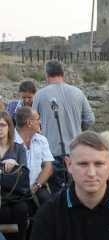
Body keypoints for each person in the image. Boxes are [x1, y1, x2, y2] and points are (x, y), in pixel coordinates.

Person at [33, 60, 95, 190]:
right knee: (77, 190)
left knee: (57, 193)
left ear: (46, 75)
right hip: (75, 151)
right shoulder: (78, 92)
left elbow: (32, 122)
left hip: (51, 152)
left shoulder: (40, 95)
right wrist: (77, 129)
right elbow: (90, 119)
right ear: (63, 73)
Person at [0, 111, 29, 240]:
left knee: (21, 210)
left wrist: (15, 163)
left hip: (16, 194)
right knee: (3, 212)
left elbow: (24, 172)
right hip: (1, 197)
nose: (0, 129)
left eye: (2, 125)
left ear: (9, 127)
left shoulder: (18, 148)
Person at [14, 106, 54, 206]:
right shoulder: (9, 140)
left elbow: (48, 167)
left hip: (37, 186)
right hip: (14, 190)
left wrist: (37, 185)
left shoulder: (42, 140)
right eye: (37, 119)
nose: (40, 122)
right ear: (29, 123)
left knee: (48, 202)